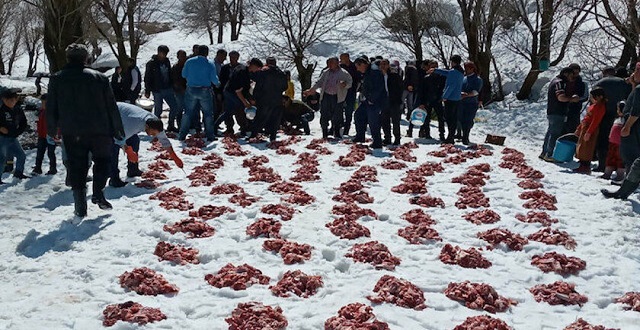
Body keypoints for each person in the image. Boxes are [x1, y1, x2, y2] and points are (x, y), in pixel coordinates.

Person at [47, 44, 125, 216]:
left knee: (77, 167)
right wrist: (118, 128)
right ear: (86, 58)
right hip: (100, 129)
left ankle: (80, 207)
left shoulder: (57, 79)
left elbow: (51, 106)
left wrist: (51, 129)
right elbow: (111, 106)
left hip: (73, 130)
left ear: (68, 58)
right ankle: (98, 192)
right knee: (103, 161)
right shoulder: (99, 78)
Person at [110, 102, 183, 187]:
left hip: (125, 119)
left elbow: (164, 140)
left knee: (135, 141)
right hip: (112, 114)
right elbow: (118, 138)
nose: (153, 135)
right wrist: (128, 151)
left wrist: (174, 157)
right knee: (113, 148)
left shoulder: (155, 123)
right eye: (152, 133)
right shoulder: (134, 124)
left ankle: (133, 170)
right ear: (147, 127)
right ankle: (114, 179)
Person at [592, 66, 632, 172]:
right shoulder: (623, 83)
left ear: (604, 73)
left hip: (604, 115)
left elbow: (593, 100)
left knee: (603, 140)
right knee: (617, 142)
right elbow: (630, 98)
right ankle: (619, 165)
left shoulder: (600, 83)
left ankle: (603, 164)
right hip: (620, 116)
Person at [304, 57, 353, 139]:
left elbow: (350, 82)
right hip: (326, 96)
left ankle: (336, 132)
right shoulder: (325, 72)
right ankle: (325, 133)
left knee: (337, 116)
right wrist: (312, 90)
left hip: (337, 97)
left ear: (337, 63)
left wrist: (345, 84)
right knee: (324, 114)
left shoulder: (344, 73)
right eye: (328, 63)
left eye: (331, 63)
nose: (329, 65)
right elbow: (319, 82)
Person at [179, 45, 220, 142]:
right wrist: (218, 83)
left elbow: (183, 75)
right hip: (205, 90)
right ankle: (210, 135)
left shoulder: (189, 61)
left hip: (191, 89)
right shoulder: (209, 64)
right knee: (208, 114)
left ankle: (182, 135)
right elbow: (214, 79)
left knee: (188, 113)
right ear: (207, 53)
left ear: (198, 52)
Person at [540, 67, 579, 162]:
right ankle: (549, 154)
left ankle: (544, 152)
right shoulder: (560, 83)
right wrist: (572, 99)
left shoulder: (555, 81)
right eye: (571, 75)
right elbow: (561, 97)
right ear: (566, 74)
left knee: (550, 132)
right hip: (557, 111)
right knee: (555, 133)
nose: (572, 78)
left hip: (552, 111)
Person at [216, 58, 262, 136]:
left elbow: (245, 89)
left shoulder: (247, 71)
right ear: (253, 65)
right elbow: (238, 91)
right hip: (231, 92)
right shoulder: (242, 72)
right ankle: (243, 129)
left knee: (229, 111)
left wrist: (250, 99)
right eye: (257, 68)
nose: (257, 70)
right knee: (240, 108)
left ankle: (214, 126)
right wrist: (245, 102)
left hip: (232, 91)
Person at [250, 57, 288, 142]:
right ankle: (273, 137)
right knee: (275, 119)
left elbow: (254, 78)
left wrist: (254, 97)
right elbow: (285, 87)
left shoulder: (263, 72)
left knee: (260, 118)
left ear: (267, 63)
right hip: (277, 99)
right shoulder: (281, 73)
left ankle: (253, 135)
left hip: (264, 99)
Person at [353, 57, 386, 149]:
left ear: (363, 64)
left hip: (375, 101)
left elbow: (379, 87)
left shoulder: (374, 73)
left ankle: (377, 141)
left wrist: (372, 99)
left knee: (373, 121)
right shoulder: (367, 73)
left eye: (358, 67)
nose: (357, 69)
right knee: (358, 115)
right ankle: (360, 136)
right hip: (366, 100)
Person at [573, 88, 607, 174]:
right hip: (585, 126)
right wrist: (579, 127)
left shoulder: (601, 107)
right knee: (581, 146)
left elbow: (596, 121)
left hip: (591, 128)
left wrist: (589, 132)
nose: (591, 98)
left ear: (600, 97)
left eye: (593, 97)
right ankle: (581, 164)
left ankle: (585, 166)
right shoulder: (593, 106)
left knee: (587, 148)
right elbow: (586, 118)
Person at [433, 55, 464, 144]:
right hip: (457, 98)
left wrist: (444, 96)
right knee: (453, 118)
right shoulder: (460, 71)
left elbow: (451, 85)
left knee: (449, 118)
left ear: (453, 62)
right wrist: (436, 70)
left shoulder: (454, 72)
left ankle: (450, 137)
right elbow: (447, 73)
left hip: (450, 98)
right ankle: (451, 135)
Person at [0, 88, 29, 183]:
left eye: (13, 100)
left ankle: (18, 173)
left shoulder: (18, 109)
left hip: (13, 137)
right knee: (2, 158)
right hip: (2, 138)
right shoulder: (1, 109)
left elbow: (23, 122)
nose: (11, 102)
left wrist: (18, 131)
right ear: (4, 100)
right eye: (8, 100)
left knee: (21, 155)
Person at [413, 60, 446, 140]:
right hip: (427, 100)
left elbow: (443, 88)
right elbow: (421, 91)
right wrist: (421, 102)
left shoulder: (442, 77)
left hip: (438, 99)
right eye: (432, 66)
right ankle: (427, 133)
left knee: (440, 118)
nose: (433, 68)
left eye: (435, 66)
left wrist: (442, 97)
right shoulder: (426, 77)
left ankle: (442, 134)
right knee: (427, 118)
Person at [144, 45, 179, 121]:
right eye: (164, 53)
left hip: (168, 88)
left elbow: (169, 73)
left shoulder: (167, 61)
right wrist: (147, 90)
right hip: (157, 90)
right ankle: (156, 126)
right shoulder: (151, 63)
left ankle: (171, 124)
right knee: (158, 110)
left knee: (174, 107)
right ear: (159, 52)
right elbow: (147, 77)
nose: (165, 55)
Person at [379, 59, 404, 145]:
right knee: (384, 120)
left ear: (388, 65)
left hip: (394, 101)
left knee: (395, 121)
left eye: (385, 64)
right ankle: (387, 138)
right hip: (384, 101)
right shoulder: (379, 75)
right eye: (381, 64)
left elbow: (400, 88)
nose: (383, 66)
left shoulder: (394, 75)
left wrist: (398, 99)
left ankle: (397, 138)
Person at [32, 94, 58, 176]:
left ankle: (53, 168)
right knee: (40, 152)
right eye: (42, 103)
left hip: (50, 135)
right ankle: (38, 168)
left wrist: (55, 134)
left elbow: (57, 125)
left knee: (51, 153)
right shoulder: (41, 111)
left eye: (45, 103)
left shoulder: (53, 113)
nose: (43, 105)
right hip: (41, 135)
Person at [458, 61, 483, 145]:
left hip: (471, 103)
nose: (466, 70)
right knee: (461, 119)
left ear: (472, 69)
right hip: (462, 102)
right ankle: (462, 134)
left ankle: (465, 137)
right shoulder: (464, 78)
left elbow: (476, 92)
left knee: (468, 120)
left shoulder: (477, 79)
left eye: (467, 68)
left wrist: (467, 95)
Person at [218, 50, 242, 134]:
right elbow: (221, 81)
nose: (233, 59)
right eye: (231, 57)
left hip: (238, 94)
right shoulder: (225, 68)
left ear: (238, 58)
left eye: (235, 57)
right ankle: (229, 128)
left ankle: (243, 127)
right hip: (227, 93)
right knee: (227, 111)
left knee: (240, 112)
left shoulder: (241, 68)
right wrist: (220, 93)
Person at [601, 101, 627, 181]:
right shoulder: (617, 119)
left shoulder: (626, 121)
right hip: (612, 142)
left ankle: (620, 175)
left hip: (621, 144)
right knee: (610, 157)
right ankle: (607, 173)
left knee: (620, 159)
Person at [563, 63, 588, 135]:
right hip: (563, 109)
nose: (575, 75)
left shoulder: (582, 84)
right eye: (573, 73)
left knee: (573, 129)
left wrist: (577, 99)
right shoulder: (563, 82)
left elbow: (585, 96)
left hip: (575, 110)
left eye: (577, 73)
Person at [620, 82, 640, 174]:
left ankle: (629, 184)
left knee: (631, 155)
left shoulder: (639, 89)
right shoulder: (636, 88)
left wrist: (627, 126)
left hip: (634, 126)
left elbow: (636, 110)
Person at [340, 53, 360, 136]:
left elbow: (358, 79)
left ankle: (347, 128)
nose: (341, 60)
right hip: (341, 91)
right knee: (338, 109)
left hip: (351, 91)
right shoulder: (340, 67)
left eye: (342, 58)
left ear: (347, 58)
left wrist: (355, 88)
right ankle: (338, 126)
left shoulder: (354, 67)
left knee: (349, 110)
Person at [170, 50, 188, 132]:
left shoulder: (187, 66)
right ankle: (179, 125)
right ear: (178, 57)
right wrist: (181, 89)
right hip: (178, 91)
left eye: (184, 56)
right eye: (181, 56)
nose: (183, 58)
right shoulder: (175, 67)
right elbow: (174, 80)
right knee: (179, 109)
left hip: (188, 90)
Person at [213, 49, 227, 131]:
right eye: (222, 56)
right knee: (215, 108)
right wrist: (218, 91)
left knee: (219, 108)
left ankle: (216, 124)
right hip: (215, 88)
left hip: (220, 88)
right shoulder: (213, 65)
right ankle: (213, 125)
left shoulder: (221, 65)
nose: (224, 58)